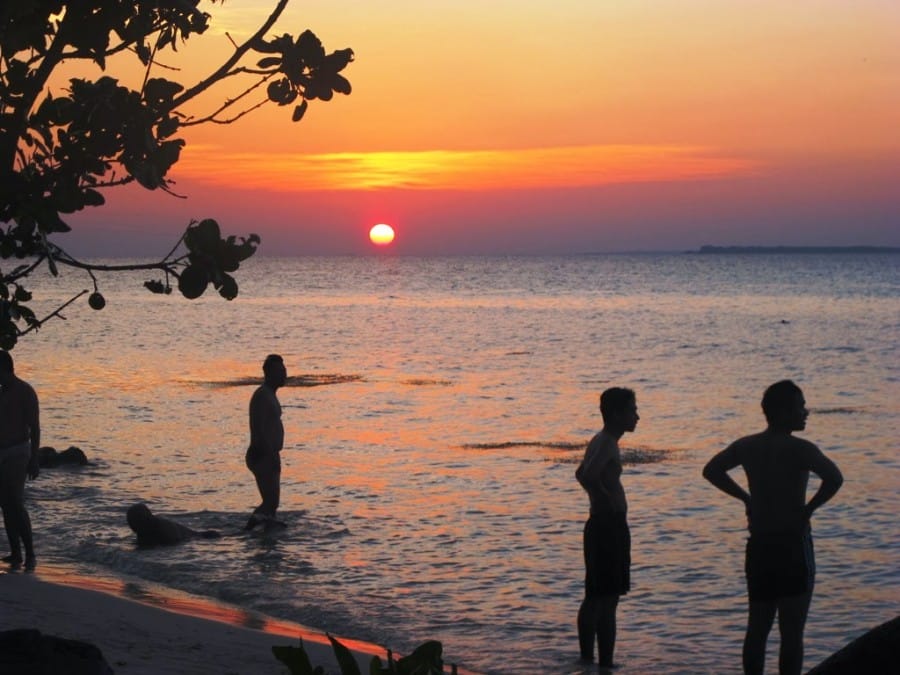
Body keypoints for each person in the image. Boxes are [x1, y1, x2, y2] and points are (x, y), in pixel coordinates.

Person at [702, 380, 843, 675]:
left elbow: (711, 470)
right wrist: (807, 510)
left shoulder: (747, 445)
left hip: (760, 544)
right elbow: (834, 478)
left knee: (758, 628)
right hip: (792, 544)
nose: (806, 412)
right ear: (781, 412)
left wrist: (745, 497)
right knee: (791, 632)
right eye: (800, 406)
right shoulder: (801, 449)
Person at [576, 387, 639, 670]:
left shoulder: (600, 440)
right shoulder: (608, 443)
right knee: (607, 599)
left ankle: (589, 660)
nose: (636, 416)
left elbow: (580, 473)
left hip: (602, 524)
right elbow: (588, 475)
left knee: (596, 596)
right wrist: (606, 501)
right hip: (608, 525)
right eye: (631, 410)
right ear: (616, 414)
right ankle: (605, 664)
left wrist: (600, 496)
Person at [0, 350, 40, 570]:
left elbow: (35, 427)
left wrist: (34, 458)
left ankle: (30, 552)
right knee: (5, 504)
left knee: (15, 502)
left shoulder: (25, 391)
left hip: (17, 451)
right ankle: (16, 552)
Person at [245, 354, 287, 530]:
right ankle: (250, 529)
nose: (284, 375)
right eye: (279, 372)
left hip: (270, 453)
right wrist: (269, 454)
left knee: (273, 503)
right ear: (268, 373)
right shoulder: (262, 395)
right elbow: (259, 428)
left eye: (284, 371)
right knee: (269, 502)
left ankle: (268, 536)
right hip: (262, 453)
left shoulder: (270, 394)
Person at [126, 503, 220, 547]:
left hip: (195, 537)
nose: (132, 524)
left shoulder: (162, 527)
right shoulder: (142, 532)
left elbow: (175, 542)